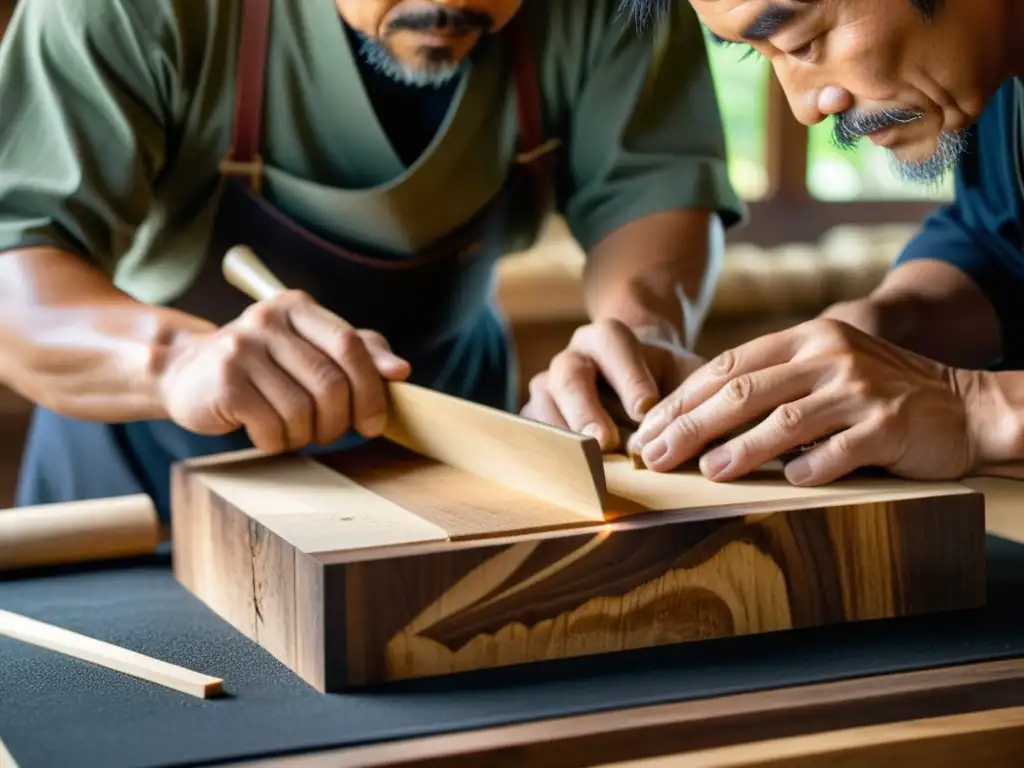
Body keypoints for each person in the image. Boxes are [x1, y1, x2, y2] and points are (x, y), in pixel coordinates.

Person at [0, 0, 743, 519]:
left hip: (452, 443)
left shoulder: (615, 7)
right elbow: (15, 268)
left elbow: (656, 191)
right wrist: (174, 361)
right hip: (141, 462)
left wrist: (638, 335)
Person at [621, 0, 1024, 487]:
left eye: (802, 43)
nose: (805, 109)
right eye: (760, 54)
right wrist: (890, 323)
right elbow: (1000, 247)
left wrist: (975, 410)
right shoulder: (993, 72)